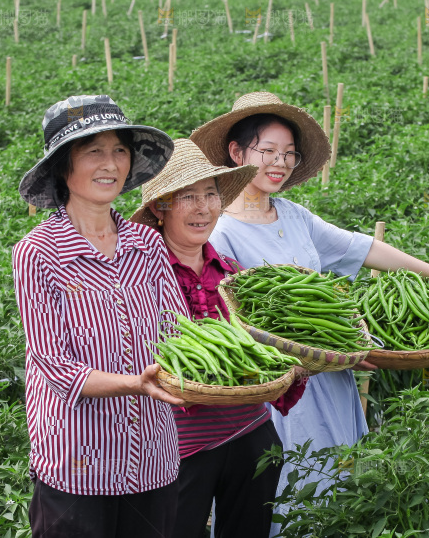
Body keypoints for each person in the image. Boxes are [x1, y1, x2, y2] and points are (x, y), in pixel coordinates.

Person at [190, 92, 429, 536]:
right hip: (279, 393)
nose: (280, 162)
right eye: (267, 151)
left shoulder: (294, 215)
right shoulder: (222, 231)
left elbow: (363, 248)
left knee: (342, 490)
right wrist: (328, 348)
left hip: (335, 381)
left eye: (289, 154)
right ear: (237, 152)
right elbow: (230, 320)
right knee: (290, 492)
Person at [12, 94, 189, 538]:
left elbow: (177, 332)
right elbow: (52, 364)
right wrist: (136, 384)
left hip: (152, 456)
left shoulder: (146, 245)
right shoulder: (39, 253)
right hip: (78, 461)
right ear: (62, 168)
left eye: (120, 151)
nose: (110, 163)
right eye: (93, 151)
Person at [130, 138, 309, 538]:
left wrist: (290, 360)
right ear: (161, 207)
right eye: (187, 197)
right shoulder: (139, 278)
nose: (203, 207)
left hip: (251, 436)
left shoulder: (233, 271)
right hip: (178, 448)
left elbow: (264, 347)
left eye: (211, 194)